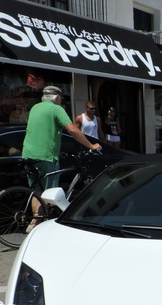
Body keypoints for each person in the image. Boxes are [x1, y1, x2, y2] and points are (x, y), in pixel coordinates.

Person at [23, 86, 102, 232]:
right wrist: (91, 145)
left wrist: (59, 151)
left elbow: (43, 131)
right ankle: (46, 225)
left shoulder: (35, 108)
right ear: (57, 97)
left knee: (37, 190)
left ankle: (34, 222)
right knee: (50, 192)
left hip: (28, 153)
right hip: (46, 156)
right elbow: (72, 129)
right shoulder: (56, 109)